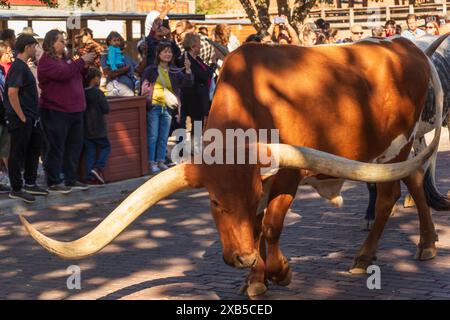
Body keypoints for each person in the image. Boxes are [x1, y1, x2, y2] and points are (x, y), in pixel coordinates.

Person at [38, 29, 94, 193]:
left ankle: (71, 178)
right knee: (56, 147)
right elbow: (63, 74)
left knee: (74, 146)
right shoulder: (46, 61)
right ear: (50, 43)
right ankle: (53, 181)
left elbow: (75, 74)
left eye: (64, 41)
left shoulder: (66, 60)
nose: (64, 43)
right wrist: (81, 62)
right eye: (60, 41)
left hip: (75, 110)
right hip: (56, 110)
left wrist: (84, 66)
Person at [3, 34, 48, 203]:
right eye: (34, 46)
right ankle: (16, 188)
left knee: (34, 148)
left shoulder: (23, 66)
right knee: (17, 152)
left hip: (31, 118)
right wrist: (21, 116)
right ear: (27, 47)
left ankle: (30, 183)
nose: (36, 49)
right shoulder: (18, 67)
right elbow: (12, 92)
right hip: (21, 119)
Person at [141, 42, 193, 174]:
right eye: (165, 51)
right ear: (158, 54)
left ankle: (160, 161)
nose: (168, 54)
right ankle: (151, 162)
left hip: (168, 109)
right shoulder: (151, 70)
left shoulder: (174, 70)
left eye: (170, 52)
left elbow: (188, 83)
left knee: (163, 136)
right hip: (154, 107)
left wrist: (188, 70)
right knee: (153, 136)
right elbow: (143, 87)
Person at [181, 33, 216, 152]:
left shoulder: (197, 59)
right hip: (192, 96)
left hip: (199, 96)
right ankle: (191, 149)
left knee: (198, 124)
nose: (201, 48)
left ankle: (194, 147)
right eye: (198, 45)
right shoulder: (186, 59)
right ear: (192, 46)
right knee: (195, 123)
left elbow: (206, 72)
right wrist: (213, 64)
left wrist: (211, 67)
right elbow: (203, 76)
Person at [83, 68, 111, 185]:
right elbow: (106, 109)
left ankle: (90, 177)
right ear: (94, 78)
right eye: (99, 77)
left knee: (90, 151)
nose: (100, 80)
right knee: (106, 147)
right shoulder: (98, 93)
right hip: (98, 127)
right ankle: (97, 168)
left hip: (86, 128)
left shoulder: (82, 92)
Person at [101, 32, 136, 97]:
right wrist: (124, 69)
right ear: (109, 42)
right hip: (115, 90)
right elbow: (108, 73)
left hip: (129, 92)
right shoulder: (106, 55)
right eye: (115, 40)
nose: (118, 42)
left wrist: (144, 54)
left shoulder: (126, 56)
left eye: (119, 40)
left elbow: (138, 69)